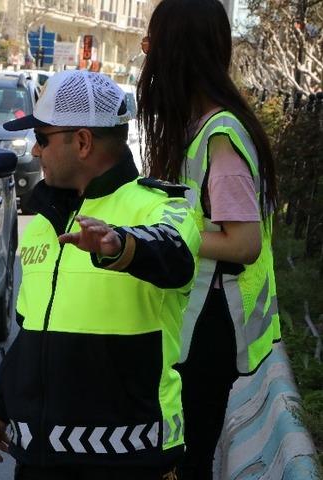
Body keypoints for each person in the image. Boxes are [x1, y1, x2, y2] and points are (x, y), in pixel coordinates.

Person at [0, 70, 201, 480]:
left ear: (81, 142)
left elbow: (176, 255)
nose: (34, 149)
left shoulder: (162, 207)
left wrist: (119, 245)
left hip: (130, 459)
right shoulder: (45, 221)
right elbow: (31, 329)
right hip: (41, 460)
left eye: (42, 138)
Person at [136, 0, 281, 477]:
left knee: (185, 462)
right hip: (196, 327)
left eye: (153, 40)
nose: (145, 49)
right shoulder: (196, 129)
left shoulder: (221, 136)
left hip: (212, 332)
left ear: (179, 51)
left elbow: (243, 244)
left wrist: (164, 241)